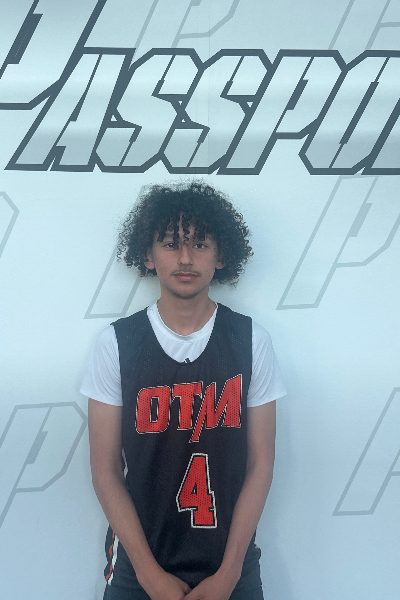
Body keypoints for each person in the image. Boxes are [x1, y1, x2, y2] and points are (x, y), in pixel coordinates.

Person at [80, 181, 286, 600]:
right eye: (172, 244)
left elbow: (261, 465)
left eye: (200, 244)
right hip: (139, 565)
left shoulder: (251, 341)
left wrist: (229, 574)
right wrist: (149, 576)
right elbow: (105, 470)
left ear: (221, 256)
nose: (186, 258)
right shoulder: (115, 344)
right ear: (148, 255)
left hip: (231, 563)